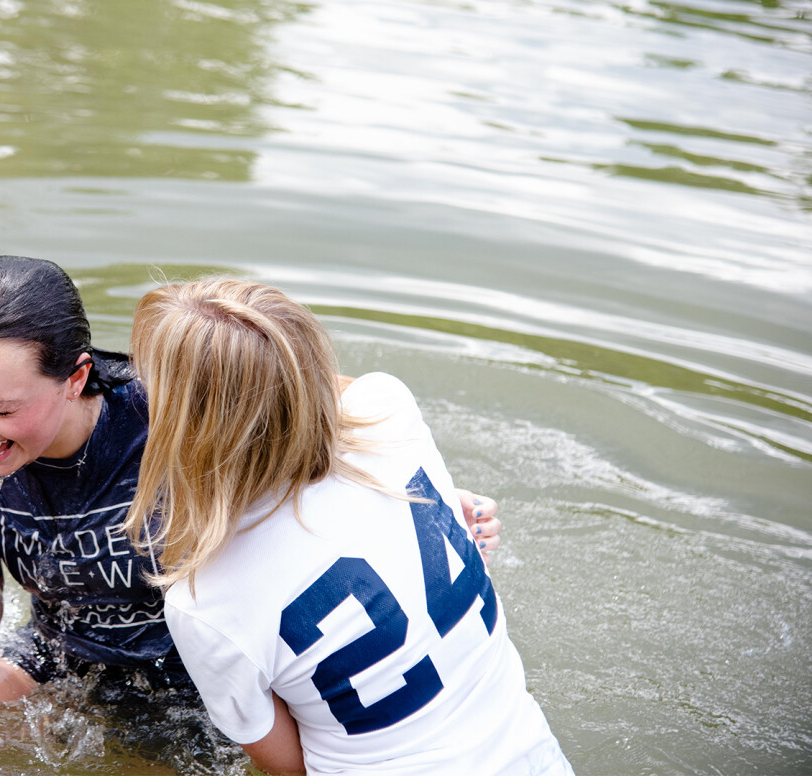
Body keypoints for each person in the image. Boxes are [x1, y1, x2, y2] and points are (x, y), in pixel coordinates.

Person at [0, 256, 503, 763]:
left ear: (77, 376)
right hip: (65, 655)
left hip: (217, 670)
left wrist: (416, 501)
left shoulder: (166, 404)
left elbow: (318, 404)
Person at [125, 278, 572, 775]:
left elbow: (289, 766)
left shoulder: (203, 601)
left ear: (183, 423)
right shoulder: (388, 408)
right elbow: (323, 392)